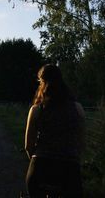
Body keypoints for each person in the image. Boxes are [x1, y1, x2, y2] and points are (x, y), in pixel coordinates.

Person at [25, 64, 85, 198]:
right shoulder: (78, 108)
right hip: (69, 170)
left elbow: (28, 146)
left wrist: (35, 160)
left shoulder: (36, 110)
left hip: (41, 168)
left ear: (43, 83)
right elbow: (81, 143)